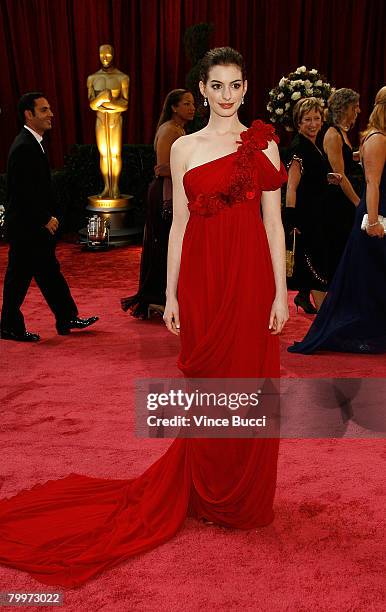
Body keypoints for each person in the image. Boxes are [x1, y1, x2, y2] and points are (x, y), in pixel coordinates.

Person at [0, 49, 288, 587]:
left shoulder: (264, 142)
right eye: (217, 85)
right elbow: (177, 227)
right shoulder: (183, 148)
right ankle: (205, 487)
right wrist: (172, 295)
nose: (226, 96)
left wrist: (280, 294)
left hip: (250, 281)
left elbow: (274, 226)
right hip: (203, 281)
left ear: (247, 88)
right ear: (201, 89)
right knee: (209, 385)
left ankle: (241, 495)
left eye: (236, 85)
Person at [289, 86, 386, 354]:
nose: (358, 110)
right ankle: (334, 314)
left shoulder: (344, 136)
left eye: (315, 118)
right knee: (337, 263)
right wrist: (365, 210)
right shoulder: (330, 137)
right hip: (335, 209)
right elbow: (363, 180)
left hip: (351, 208)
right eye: (307, 119)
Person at [0, 92, 98, 341]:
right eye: (44, 110)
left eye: (50, 109)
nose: (51, 114)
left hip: (29, 225)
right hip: (27, 226)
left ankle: (65, 317)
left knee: (45, 272)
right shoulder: (24, 146)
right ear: (28, 114)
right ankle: (10, 325)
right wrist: (45, 218)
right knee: (20, 278)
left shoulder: (33, 142)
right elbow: (23, 192)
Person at [121, 89, 195, 318]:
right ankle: (158, 298)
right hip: (165, 195)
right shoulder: (169, 130)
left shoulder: (180, 129)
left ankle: (168, 296)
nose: (192, 108)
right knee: (164, 245)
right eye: (186, 103)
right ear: (174, 107)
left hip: (176, 192)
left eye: (193, 103)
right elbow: (162, 168)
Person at [285, 98, 335, 312]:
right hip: (306, 217)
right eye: (307, 120)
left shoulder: (313, 145)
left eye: (316, 118)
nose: (313, 124)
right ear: (298, 122)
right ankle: (324, 318)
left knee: (318, 264)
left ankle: (322, 314)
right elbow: (291, 188)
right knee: (315, 266)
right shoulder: (299, 148)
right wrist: (292, 220)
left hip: (318, 214)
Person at [322, 88, 361, 278]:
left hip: (344, 199)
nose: (358, 111)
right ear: (344, 108)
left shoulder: (341, 133)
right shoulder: (333, 134)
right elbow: (340, 175)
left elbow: (346, 159)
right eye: (355, 107)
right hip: (338, 201)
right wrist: (357, 202)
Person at [87, 44, 129, 199]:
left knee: (115, 154)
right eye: (102, 54)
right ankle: (107, 187)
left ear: (113, 55)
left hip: (115, 120)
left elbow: (124, 104)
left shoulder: (122, 78)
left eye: (108, 55)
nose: (105, 58)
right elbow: (92, 105)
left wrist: (107, 102)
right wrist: (101, 98)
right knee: (104, 155)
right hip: (100, 121)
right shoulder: (92, 78)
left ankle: (115, 187)